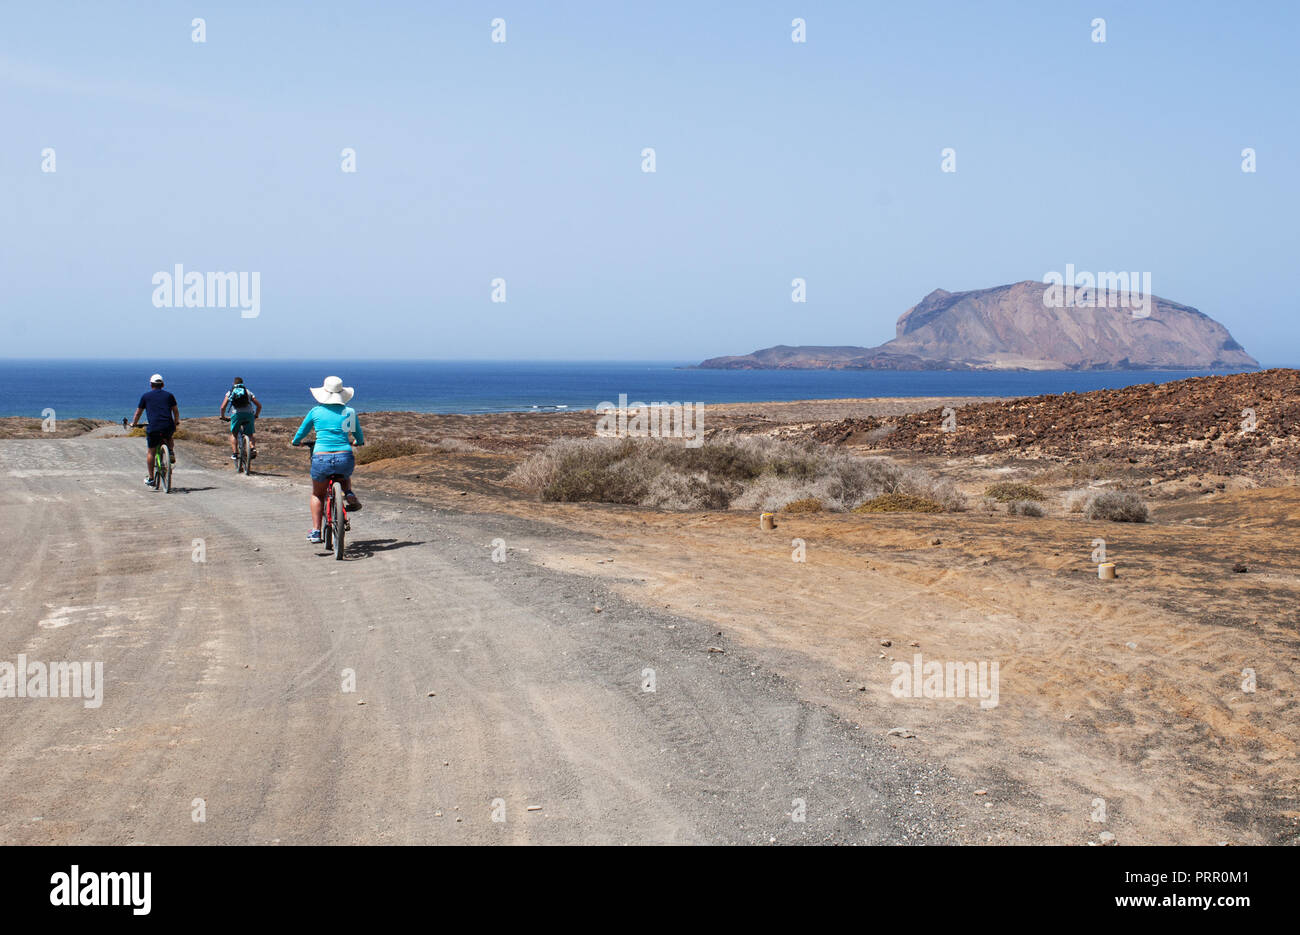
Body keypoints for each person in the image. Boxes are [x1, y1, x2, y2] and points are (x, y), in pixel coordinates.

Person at [290, 376, 365, 543]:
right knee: (344, 474)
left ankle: (316, 531)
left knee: (318, 494)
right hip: (344, 455)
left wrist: (296, 442)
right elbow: (358, 434)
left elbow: (302, 431)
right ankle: (349, 493)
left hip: (321, 456)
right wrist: (358, 442)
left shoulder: (315, 411)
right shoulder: (349, 412)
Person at [129, 373, 180, 487]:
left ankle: (151, 478)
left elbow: (138, 413)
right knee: (169, 436)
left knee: (151, 451)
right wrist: (176, 422)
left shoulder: (145, 396)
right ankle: (170, 451)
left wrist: (134, 423)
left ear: (151, 385)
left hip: (154, 427)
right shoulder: (169, 396)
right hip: (168, 425)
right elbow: (175, 411)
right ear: (162, 384)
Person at [219, 377, 262, 460]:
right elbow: (259, 406)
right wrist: (256, 415)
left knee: (234, 434)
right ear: (243, 383)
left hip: (237, 414)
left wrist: (223, 416)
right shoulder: (248, 392)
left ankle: (235, 454)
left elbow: (222, 407)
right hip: (249, 414)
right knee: (250, 434)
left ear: (233, 384)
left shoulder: (230, 392)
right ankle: (253, 448)